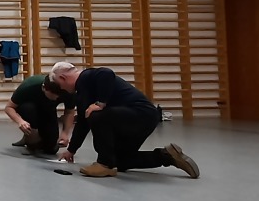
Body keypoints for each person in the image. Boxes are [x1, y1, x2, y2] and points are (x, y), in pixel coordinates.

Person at [49, 61, 199, 178]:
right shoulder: (81, 93)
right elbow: (82, 123)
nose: (61, 89)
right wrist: (71, 150)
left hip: (140, 114)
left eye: (59, 85)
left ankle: (104, 165)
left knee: (97, 115)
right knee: (120, 160)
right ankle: (167, 156)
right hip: (139, 119)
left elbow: (107, 73)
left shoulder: (86, 76)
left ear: (63, 78)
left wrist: (100, 103)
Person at [4, 72, 75, 156]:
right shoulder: (29, 86)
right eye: (53, 96)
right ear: (44, 88)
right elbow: (8, 107)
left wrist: (65, 133)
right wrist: (20, 121)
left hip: (48, 110)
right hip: (29, 110)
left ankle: (35, 138)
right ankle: (30, 138)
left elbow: (69, 112)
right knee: (28, 109)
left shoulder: (67, 90)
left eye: (58, 97)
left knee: (52, 149)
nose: (56, 98)